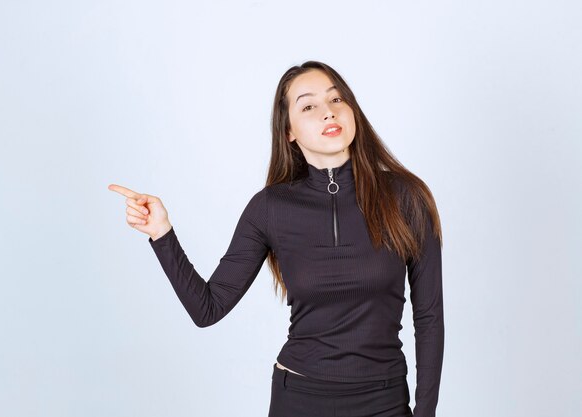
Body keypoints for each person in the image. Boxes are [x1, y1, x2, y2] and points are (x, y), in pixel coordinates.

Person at [108, 61, 444, 417]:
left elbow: (429, 318)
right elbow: (207, 309)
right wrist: (162, 234)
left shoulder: (406, 198)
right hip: (298, 399)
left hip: (384, 401)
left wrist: (424, 413)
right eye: (309, 106)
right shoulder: (270, 208)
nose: (328, 113)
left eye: (337, 100)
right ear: (289, 131)